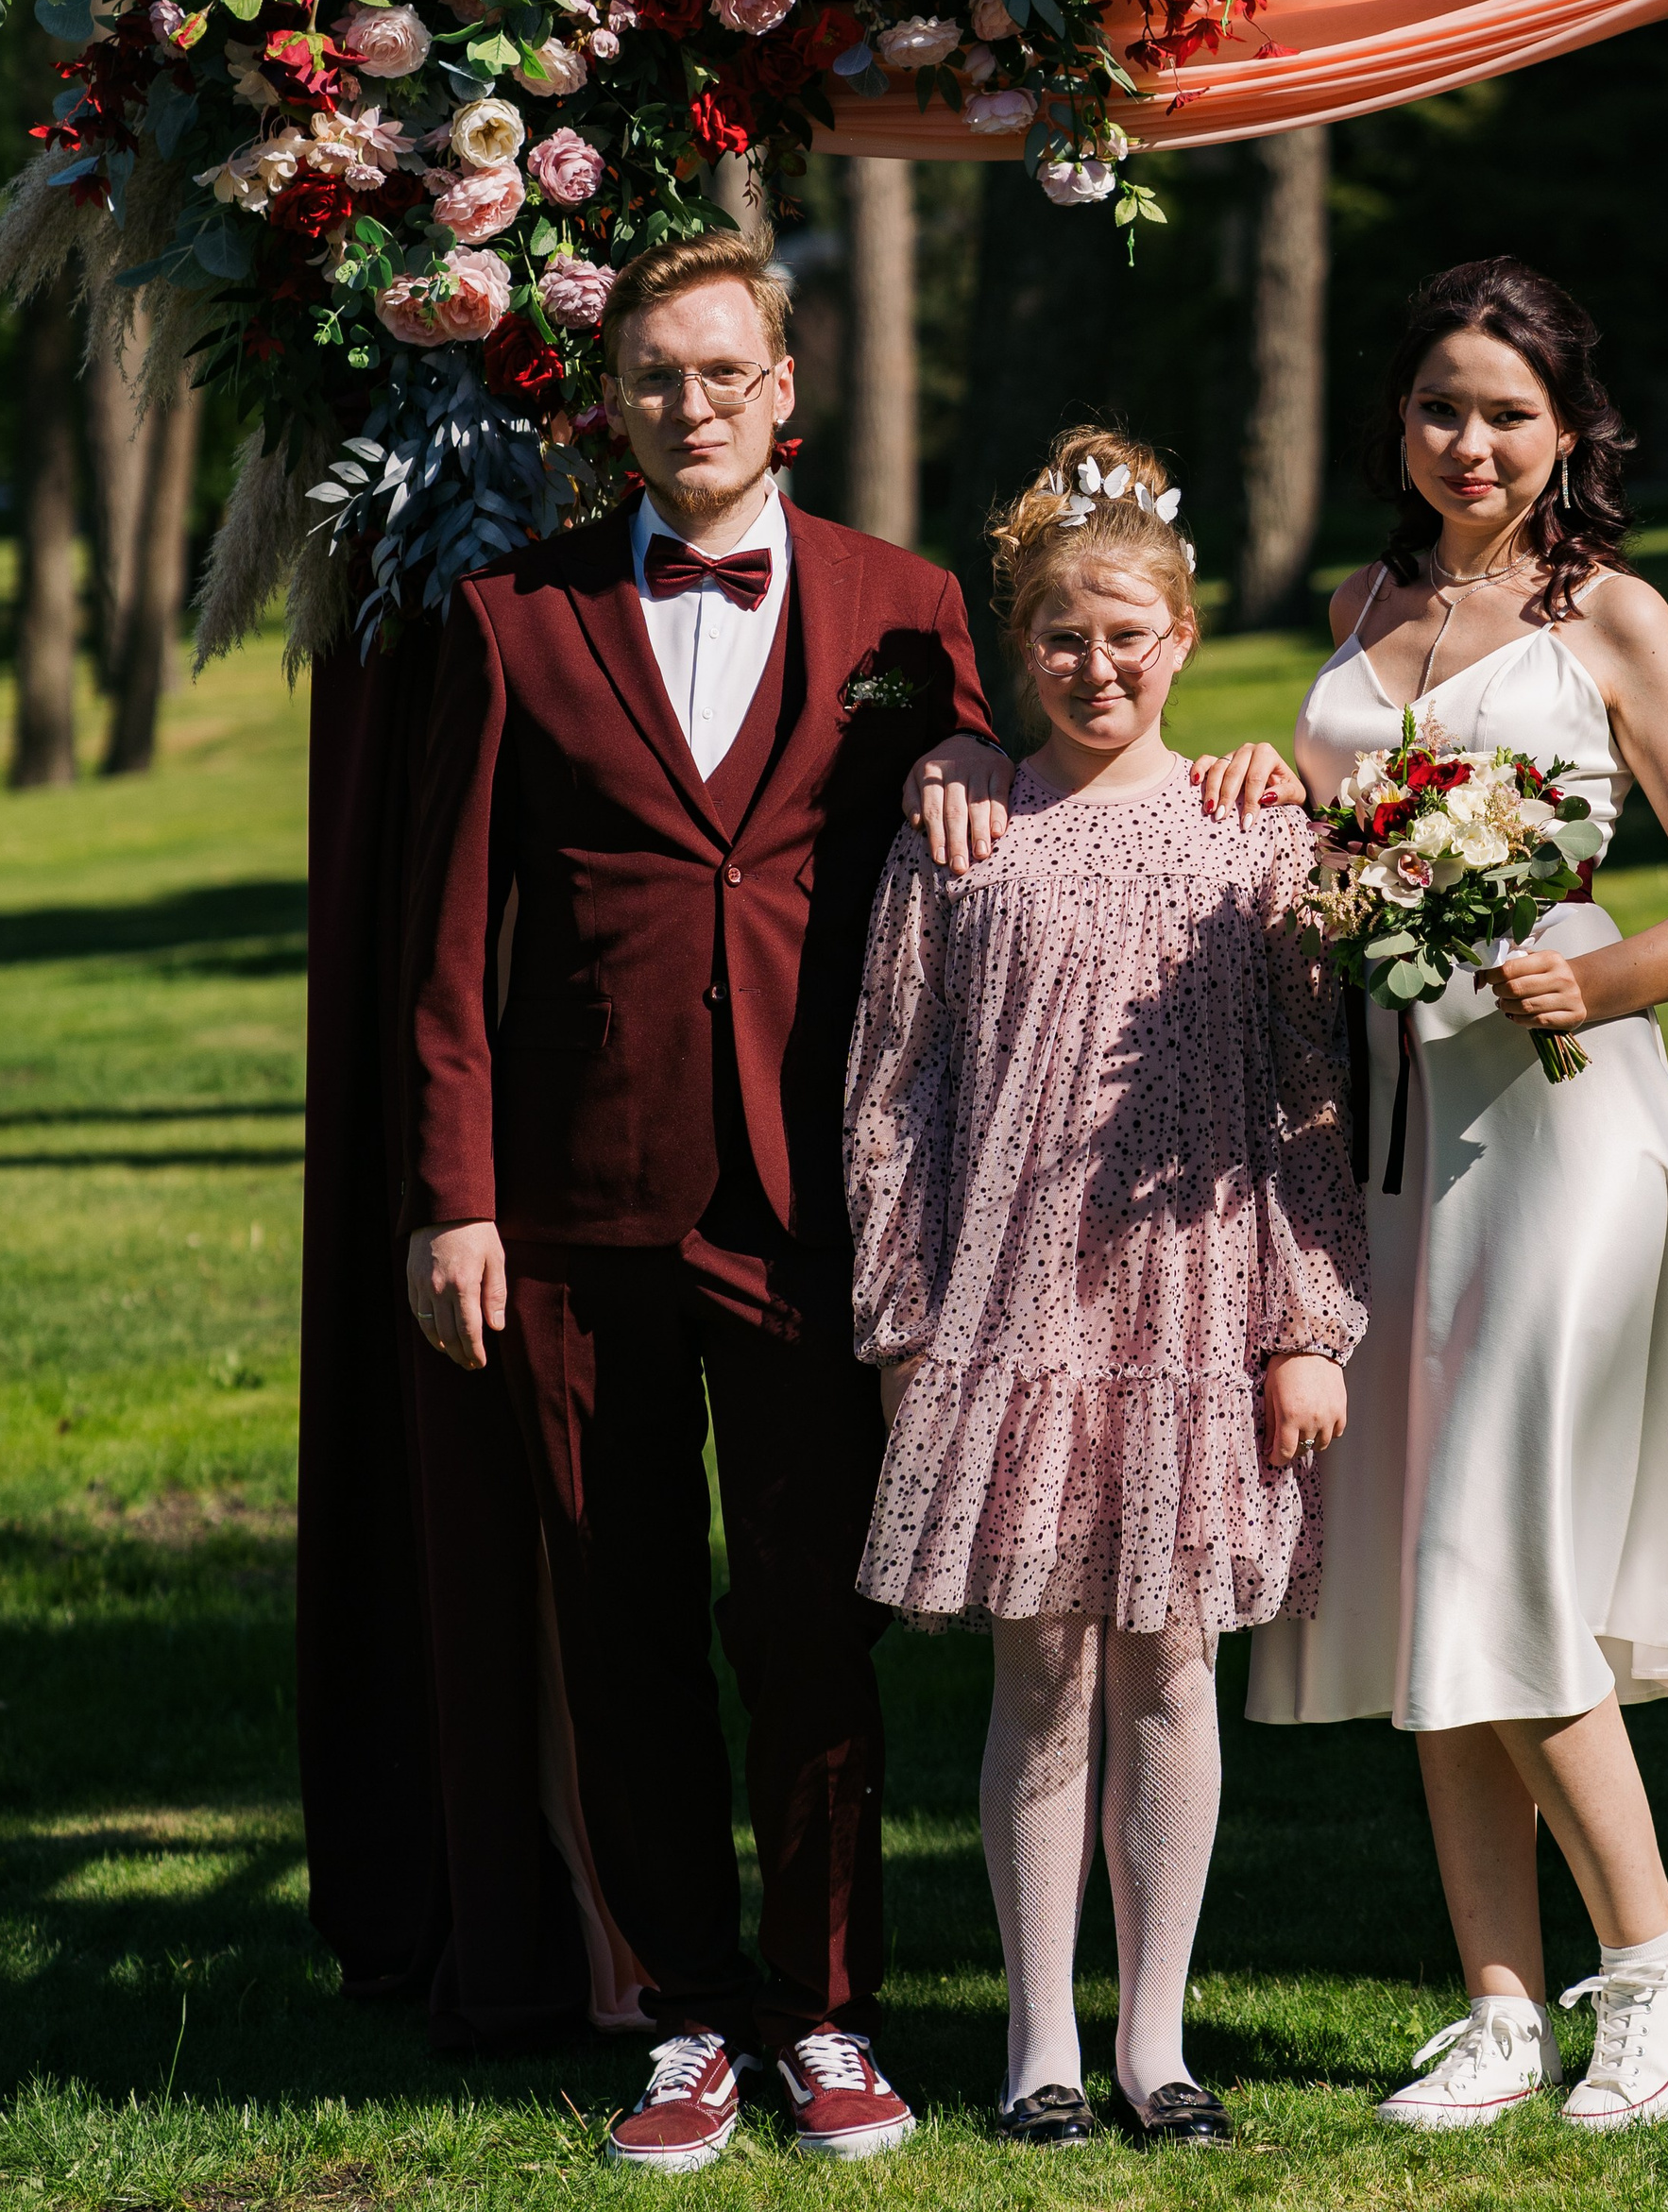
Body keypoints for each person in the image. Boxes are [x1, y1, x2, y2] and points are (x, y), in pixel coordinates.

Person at [397, 222, 1015, 2171]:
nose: (690, 404)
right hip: (578, 1210)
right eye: (654, 375)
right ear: (614, 400)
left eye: (722, 371)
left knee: (817, 1626)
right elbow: (444, 943)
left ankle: (829, 2008)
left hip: (818, 1199)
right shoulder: (514, 616)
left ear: (786, 393)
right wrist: (452, 1198)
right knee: (622, 1611)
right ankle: (680, 2013)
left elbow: (1007, 801)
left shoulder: (905, 611)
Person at [1246, 257, 1668, 2133]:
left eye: (1503, 409)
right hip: (1392, 1132)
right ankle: (1496, 2003)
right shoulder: (1359, 607)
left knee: (1489, 1530)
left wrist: (1603, 971)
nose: (1467, 440)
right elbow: (1335, 853)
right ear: (1394, 427)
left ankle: (1656, 1954)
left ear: (1566, 427)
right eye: (1435, 405)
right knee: (1418, 1534)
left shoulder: (1614, 625)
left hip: (1564, 1124)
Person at [842, 428, 1369, 2148]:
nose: (1097, 666)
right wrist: (903, 1311)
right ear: (1018, 644)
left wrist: (1307, 1319)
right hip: (1011, 1308)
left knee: (1172, 1667)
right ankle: (1036, 2041)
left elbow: (1308, 1087)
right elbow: (894, 1083)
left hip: (1195, 1308)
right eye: (1064, 637)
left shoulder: (1246, 834)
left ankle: (1159, 2040)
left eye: (1129, 634)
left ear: (1185, 638)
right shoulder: (963, 838)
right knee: (1040, 1672)